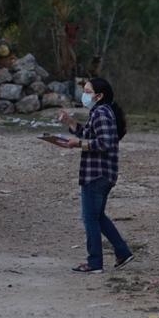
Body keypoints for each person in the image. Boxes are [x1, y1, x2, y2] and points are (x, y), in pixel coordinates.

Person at [59, 77, 134, 273]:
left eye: (88, 91)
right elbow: (88, 134)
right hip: (101, 173)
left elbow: (104, 143)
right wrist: (70, 123)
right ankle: (123, 252)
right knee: (98, 216)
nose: (85, 95)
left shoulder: (101, 113)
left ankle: (94, 263)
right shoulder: (100, 112)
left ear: (99, 96)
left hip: (97, 174)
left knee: (90, 218)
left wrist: (77, 144)